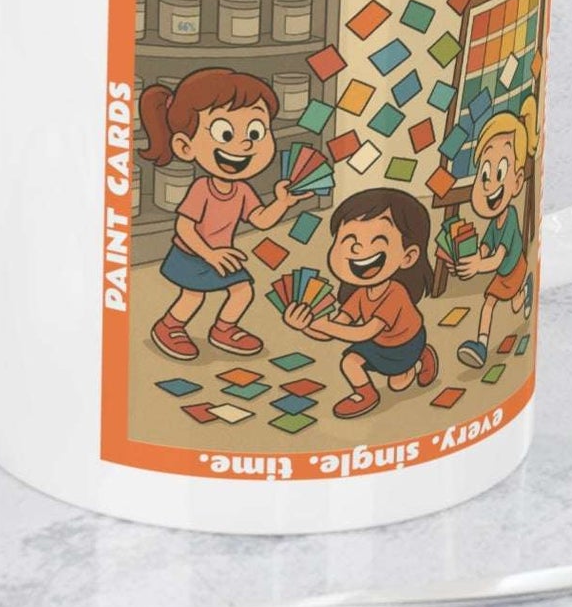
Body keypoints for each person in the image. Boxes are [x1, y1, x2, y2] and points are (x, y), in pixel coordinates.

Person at [139, 68, 298, 361]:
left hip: (221, 254)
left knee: (243, 291)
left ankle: (224, 329)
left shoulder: (242, 190)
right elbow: (184, 228)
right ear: (185, 147)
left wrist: (282, 203)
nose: (246, 144)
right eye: (225, 133)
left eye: (256, 132)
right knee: (192, 296)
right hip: (191, 254)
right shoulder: (202, 188)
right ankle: (169, 326)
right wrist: (209, 254)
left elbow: (261, 220)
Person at [286, 186, 439, 419]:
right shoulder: (359, 294)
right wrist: (305, 325)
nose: (358, 248)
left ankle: (419, 356)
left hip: (405, 344)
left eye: (376, 240)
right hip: (379, 343)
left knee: (399, 384)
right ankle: (366, 394)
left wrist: (325, 325)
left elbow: (363, 332)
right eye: (348, 240)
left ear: (408, 257)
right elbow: (336, 326)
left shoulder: (395, 293)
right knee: (350, 361)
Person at [455, 99, 535, 369]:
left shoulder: (510, 218)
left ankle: (522, 292)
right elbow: (488, 248)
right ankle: (480, 345)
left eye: (499, 171)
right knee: (501, 304)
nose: (489, 183)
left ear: (517, 179)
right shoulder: (493, 223)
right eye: (484, 173)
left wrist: (480, 264)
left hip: (513, 269)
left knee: (502, 305)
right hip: (505, 273)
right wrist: (474, 257)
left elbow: (499, 257)